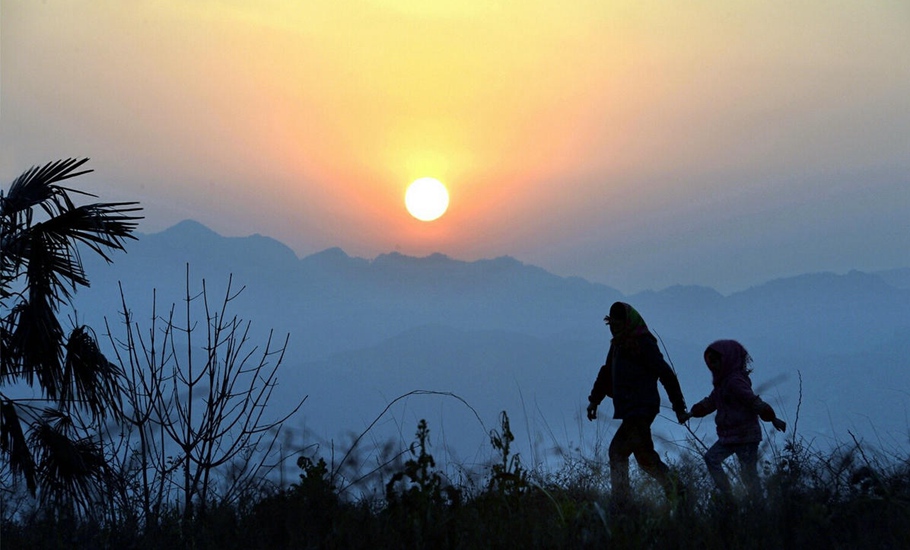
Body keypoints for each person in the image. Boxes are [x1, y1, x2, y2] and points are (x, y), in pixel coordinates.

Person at [586, 301, 689, 506]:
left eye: (618, 324)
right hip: (631, 409)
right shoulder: (617, 344)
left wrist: (678, 406)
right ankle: (680, 494)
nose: (614, 328)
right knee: (645, 458)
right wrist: (594, 401)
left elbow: (665, 373)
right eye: (612, 325)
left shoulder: (643, 343)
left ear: (627, 322)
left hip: (641, 409)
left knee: (617, 451)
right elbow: (607, 372)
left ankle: (622, 503)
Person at [682, 339, 786, 501]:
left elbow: (753, 401)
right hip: (729, 436)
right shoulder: (723, 383)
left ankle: (756, 509)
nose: (713, 366)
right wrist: (691, 413)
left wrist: (772, 418)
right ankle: (730, 498)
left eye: (716, 362)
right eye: (712, 363)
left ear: (727, 360)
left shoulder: (734, 382)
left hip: (745, 437)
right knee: (712, 459)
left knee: (748, 476)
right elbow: (710, 402)